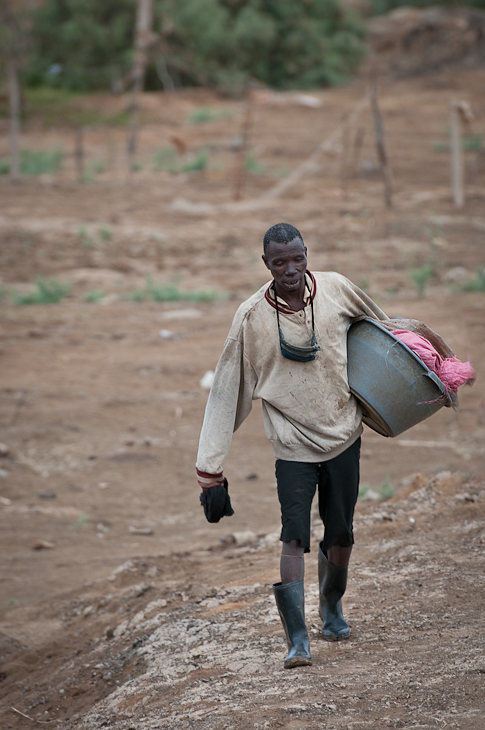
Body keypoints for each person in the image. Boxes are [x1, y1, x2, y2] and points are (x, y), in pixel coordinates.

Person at [196, 222, 389, 669]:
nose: (290, 269)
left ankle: (331, 607)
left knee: (340, 532)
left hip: (343, 436)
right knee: (294, 537)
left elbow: (381, 336)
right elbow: (227, 390)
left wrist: (425, 368)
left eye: (297, 258)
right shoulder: (251, 318)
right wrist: (210, 469)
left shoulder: (337, 289)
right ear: (266, 265)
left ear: (307, 255)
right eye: (279, 262)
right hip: (292, 448)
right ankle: (297, 640)